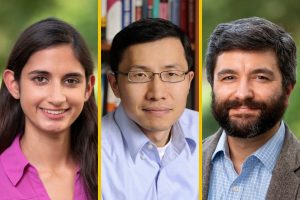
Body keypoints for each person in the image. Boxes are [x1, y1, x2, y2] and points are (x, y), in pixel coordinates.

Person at [203, 16, 300, 200]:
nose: (243, 93)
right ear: (213, 85)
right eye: (229, 77)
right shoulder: (181, 165)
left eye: (261, 77)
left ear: (287, 90)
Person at [0, 18, 97, 200]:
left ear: (88, 88)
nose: (57, 98)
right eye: (41, 79)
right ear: (14, 85)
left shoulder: (108, 169)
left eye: (71, 81)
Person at [102, 18, 199, 199]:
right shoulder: (92, 151)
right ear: (114, 84)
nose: (157, 93)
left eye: (171, 74)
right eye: (139, 75)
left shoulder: (210, 138)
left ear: (188, 81)